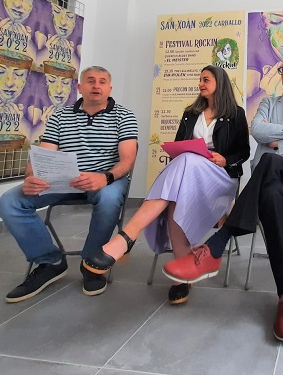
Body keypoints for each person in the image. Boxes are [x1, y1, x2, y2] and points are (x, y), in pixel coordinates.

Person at [163, 56, 283, 342]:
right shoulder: (269, 104)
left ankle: (215, 247)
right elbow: (258, 131)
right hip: (273, 179)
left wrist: (280, 139)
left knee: (270, 159)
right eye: (282, 69)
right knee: (269, 184)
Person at [82, 65, 250, 305]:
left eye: (206, 79)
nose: (200, 83)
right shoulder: (190, 113)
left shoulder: (236, 113)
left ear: (219, 83)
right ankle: (181, 274)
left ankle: (127, 236)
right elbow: (180, 145)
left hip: (220, 177)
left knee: (187, 162)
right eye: (200, 79)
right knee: (178, 183)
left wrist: (226, 159)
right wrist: (180, 153)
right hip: (188, 175)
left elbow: (243, 151)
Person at [0, 66, 138, 303]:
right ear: (80, 87)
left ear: (110, 89)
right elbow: (43, 154)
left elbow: (128, 159)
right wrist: (31, 176)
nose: (96, 86)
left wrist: (105, 178)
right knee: (9, 202)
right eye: (90, 81)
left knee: (110, 198)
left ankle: (92, 263)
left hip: (105, 180)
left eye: (102, 82)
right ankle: (49, 261)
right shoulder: (61, 116)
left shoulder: (124, 116)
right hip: (63, 180)